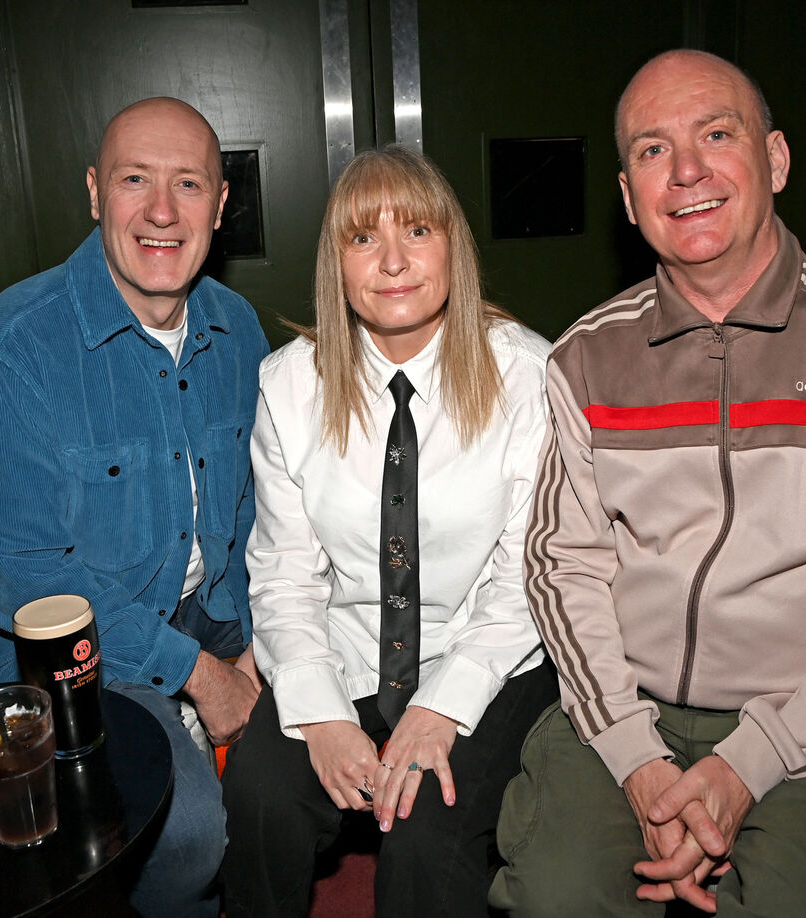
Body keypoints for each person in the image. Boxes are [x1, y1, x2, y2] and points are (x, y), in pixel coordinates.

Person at [489, 50, 806, 917]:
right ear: (629, 196)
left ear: (776, 159)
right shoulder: (586, 357)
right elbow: (565, 568)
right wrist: (637, 760)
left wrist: (753, 761)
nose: (686, 171)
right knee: (555, 893)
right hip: (621, 712)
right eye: (652, 150)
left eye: (717, 134)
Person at [0, 97, 267, 917]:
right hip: (72, 646)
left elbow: (257, 513)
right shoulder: (7, 355)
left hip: (210, 608)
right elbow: (33, 588)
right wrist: (201, 678)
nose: (161, 211)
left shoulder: (237, 330)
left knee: (315, 762)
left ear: (221, 205)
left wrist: (264, 643)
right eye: (134, 180)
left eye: (188, 184)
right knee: (184, 835)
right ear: (94, 192)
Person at [219, 145, 557, 918]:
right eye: (364, 237)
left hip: (486, 652)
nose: (394, 261)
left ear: (453, 248)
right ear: (335, 263)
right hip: (345, 649)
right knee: (261, 797)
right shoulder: (289, 384)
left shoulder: (528, 376)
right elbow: (284, 572)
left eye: (418, 231)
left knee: (425, 840)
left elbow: (526, 577)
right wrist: (320, 711)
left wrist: (445, 707)